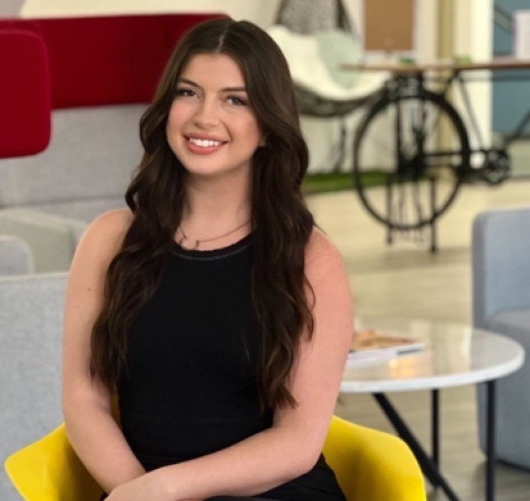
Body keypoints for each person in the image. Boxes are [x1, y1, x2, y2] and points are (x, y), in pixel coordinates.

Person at [62, 17, 354, 501]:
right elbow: (84, 400)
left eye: (234, 100)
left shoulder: (310, 258)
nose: (203, 117)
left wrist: (168, 489)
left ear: (267, 127)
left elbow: (298, 442)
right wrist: (139, 493)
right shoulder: (109, 240)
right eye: (188, 92)